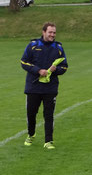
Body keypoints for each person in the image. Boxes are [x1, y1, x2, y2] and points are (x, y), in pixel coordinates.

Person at [20, 22, 68, 150]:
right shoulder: (33, 46)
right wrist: (38, 70)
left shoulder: (58, 48)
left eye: (54, 32)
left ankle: (48, 141)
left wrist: (54, 70)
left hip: (50, 88)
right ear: (43, 32)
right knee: (31, 113)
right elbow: (23, 62)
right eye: (50, 32)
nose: (53, 35)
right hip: (33, 86)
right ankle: (31, 134)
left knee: (49, 115)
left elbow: (64, 66)